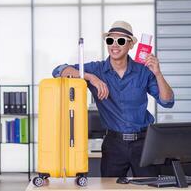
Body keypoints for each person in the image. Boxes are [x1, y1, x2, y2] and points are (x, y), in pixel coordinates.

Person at [52, 21, 174, 177]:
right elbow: (58, 70)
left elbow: (167, 102)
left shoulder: (144, 71)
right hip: (114, 145)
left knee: (149, 186)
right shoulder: (96, 69)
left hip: (144, 143)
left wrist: (158, 73)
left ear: (130, 45)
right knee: (110, 187)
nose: (114, 45)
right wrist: (91, 77)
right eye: (110, 40)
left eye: (121, 40)